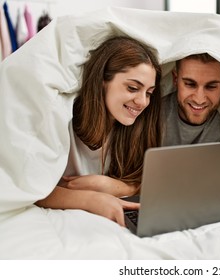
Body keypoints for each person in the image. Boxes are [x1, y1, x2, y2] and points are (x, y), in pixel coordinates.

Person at [35, 36, 162, 227]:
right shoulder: (62, 119)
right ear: (103, 80)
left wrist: (111, 186)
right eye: (133, 88)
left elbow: (148, 181)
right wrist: (91, 200)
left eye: (149, 93)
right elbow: (32, 188)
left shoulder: (138, 127)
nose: (143, 102)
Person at [162, 53, 220, 146]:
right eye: (190, 84)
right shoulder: (153, 115)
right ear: (175, 79)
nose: (199, 100)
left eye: (211, 86)